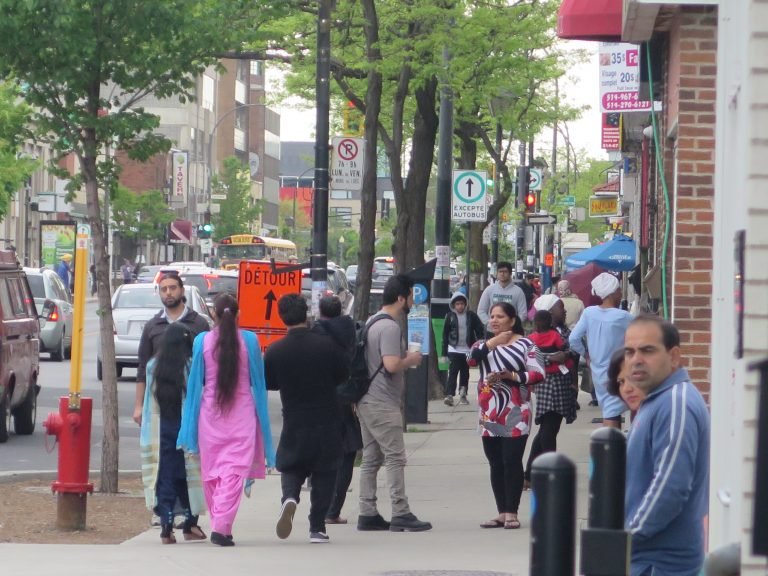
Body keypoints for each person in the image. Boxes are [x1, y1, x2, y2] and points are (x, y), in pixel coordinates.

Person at [178, 293, 275, 547]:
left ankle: (221, 523)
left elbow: (195, 382)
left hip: (210, 416)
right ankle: (221, 526)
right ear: (239, 314)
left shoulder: (202, 341)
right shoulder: (251, 341)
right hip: (242, 415)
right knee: (234, 472)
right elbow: (258, 380)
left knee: (213, 473)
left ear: (214, 314)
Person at [622, 316, 710, 576]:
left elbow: (670, 488)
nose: (636, 359)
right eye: (630, 351)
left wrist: (625, 539)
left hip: (660, 565)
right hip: (643, 561)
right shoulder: (656, 399)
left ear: (674, 356)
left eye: (647, 350)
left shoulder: (676, 404)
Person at [264, 294, 349, 544]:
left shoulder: (276, 351)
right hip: (326, 417)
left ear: (282, 317)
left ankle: (290, 497)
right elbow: (342, 375)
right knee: (325, 471)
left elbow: (271, 383)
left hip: (294, 417)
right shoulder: (327, 345)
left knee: (292, 465)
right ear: (306, 314)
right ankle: (317, 526)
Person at [356, 274, 432, 533]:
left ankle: (367, 512)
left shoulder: (372, 322)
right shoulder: (389, 327)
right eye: (410, 296)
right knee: (395, 457)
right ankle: (400, 511)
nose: (412, 300)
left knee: (371, 457)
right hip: (382, 402)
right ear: (401, 298)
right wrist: (411, 359)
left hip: (366, 400)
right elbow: (391, 364)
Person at [469, 302, 544, 530]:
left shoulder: (526, 344)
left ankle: (512, 512)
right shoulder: (483, 345)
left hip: (515, 411)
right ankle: (501, 512)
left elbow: (538, 373)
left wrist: (511, 375)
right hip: (489, 411)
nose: (494, 320)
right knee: (495, 462)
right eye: (492, 316)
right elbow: (471, 359)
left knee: (511, 460)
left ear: (512, 320)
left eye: (500, 316)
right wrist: (493, 342)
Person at [140, 323, 206, 545]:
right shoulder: (190, 366)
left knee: (164, 476)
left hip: (161, 429)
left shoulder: (153, 366)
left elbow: (149, 401)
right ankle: (189, 523)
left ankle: (166, 527)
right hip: (185, 428)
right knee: (187, 477)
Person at [133, 272, 210, 426]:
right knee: (162, 448)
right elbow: (143, 368)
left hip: (190, 402)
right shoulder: (153, 326)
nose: (168, 292)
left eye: (173, 288)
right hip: (158, 402)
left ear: (181, 291)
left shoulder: (199, 324)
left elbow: (208, 367)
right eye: (163, 289)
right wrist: (138, 406)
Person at [310, 295, 360, 526]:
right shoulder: (351, 332)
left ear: (321, 312)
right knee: (348, 452)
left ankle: (321, 506)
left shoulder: (316, 334)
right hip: (345, 399)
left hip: (321, 398)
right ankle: (333, 509)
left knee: (322, 452)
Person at [523, 298, 578, 487]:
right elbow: (531, 359)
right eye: (560, 308)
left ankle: (529, 475)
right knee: (549, 429)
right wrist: (553, 358)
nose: (564, 312)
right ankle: (550, 470)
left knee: (547, 429)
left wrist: (566, 356)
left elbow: (572, 352)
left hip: (562, 383)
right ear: (549, 312)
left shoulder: (562, 332)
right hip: (548, 384)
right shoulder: (535, 337)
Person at [568, 272, 632, 428]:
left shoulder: (589, 313)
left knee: (610, 410)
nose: (621, 293)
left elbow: (573, 339)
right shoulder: (624, 317)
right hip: (619, 371)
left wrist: (587, 355)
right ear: (613, 293)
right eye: (619, 290)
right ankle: (609, 447)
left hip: (597, 370)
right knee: (614, 412)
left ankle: (611, 445)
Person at [441, 292, 484, 406]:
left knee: (465, 372)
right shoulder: (449, 316)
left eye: (462, 304)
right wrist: (444, 353)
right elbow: (445, 335)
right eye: (457, 304)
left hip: (467, 349)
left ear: (465, 305)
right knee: (453, 372)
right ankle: (449, 395)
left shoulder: (471, 316)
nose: (460, 306)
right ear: (453, 305)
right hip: (454, 349)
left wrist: (479, 342)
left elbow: (479, 329)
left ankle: (463, 393)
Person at [477, 261, 528, 331]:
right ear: (497, 273)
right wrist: (490, 323)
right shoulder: (489, 290)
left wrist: (513, 325)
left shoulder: (518, 291)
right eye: (500, 271)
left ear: (510, 274)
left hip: (511, 331)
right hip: (492, 331)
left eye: (505, 272)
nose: (502, 274)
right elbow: (481, 310)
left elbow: (523, 313)